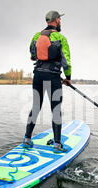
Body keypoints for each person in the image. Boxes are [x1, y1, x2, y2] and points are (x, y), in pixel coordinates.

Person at [23, 10, 72, 153]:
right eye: (60, 20)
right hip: (53, 78)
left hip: (37, 75)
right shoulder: (60, 37)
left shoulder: (36, 36)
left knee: (36, 106)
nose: (60, 22)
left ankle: (27, 139)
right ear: (56, 20)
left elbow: (32, 55)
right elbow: (66, 62)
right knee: (56, 110)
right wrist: (68, 78)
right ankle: (57, 145)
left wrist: (39, 57)